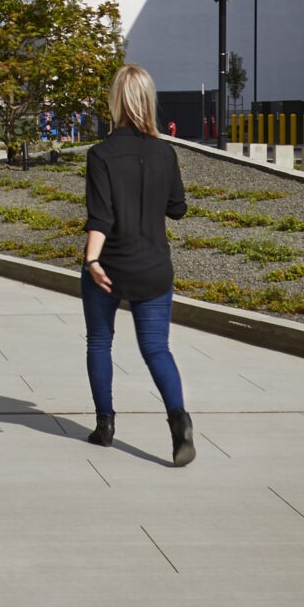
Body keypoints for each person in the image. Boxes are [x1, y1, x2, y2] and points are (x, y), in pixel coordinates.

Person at [82, 62, 193, 464]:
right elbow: (178, 209)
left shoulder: (101, 155)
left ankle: (105, 426)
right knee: (156, 348)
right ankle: (179, 422)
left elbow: (101, 217)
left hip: (109, 264)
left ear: (116, 101)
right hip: (154, 268)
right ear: (148, 100)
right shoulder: (165, 152)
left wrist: (92, 259)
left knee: (99, 342)